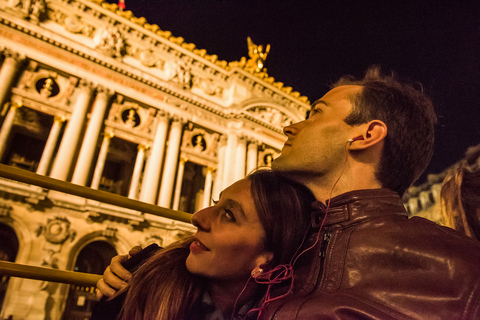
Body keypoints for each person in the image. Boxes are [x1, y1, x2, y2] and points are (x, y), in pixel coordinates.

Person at [98, 66, 480, 319]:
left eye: (315, 112)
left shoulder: (461, 271)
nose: (289, 127)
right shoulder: (266, 243)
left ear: (365, 135)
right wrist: (137, 284)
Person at [93, 170, 316, 320]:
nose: (198, 217)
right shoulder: (138, 278)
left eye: (229, 214)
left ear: (266, 262)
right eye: (215, 204)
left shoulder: (285, 312)